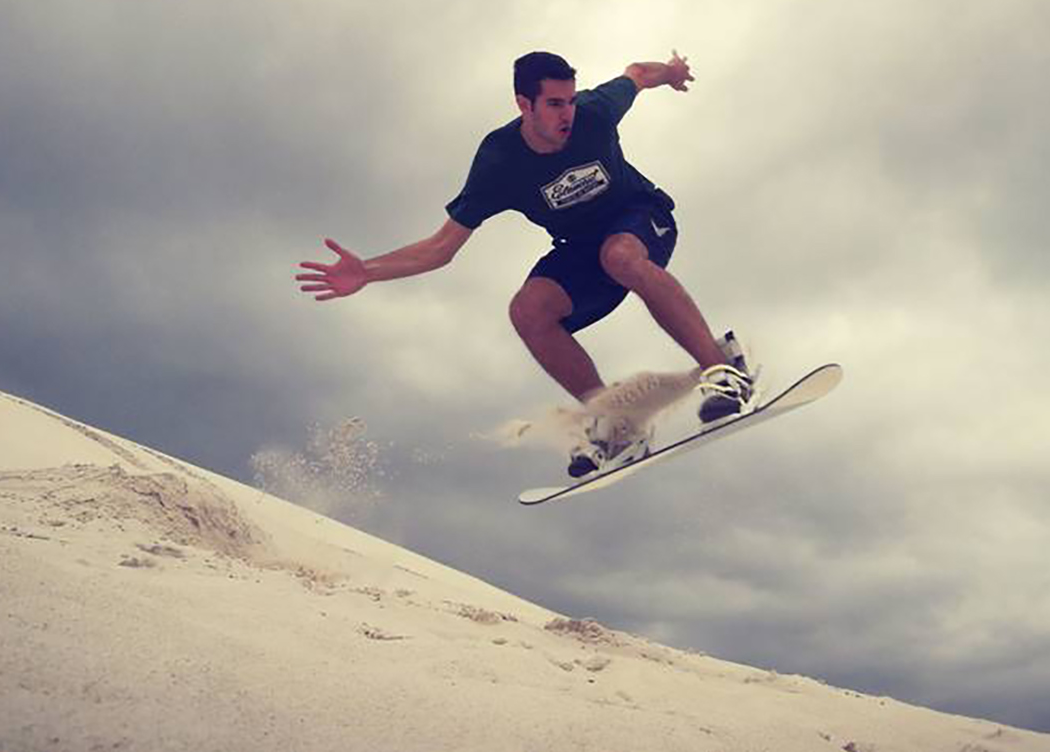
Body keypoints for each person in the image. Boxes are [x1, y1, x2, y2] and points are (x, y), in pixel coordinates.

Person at [296, 49, 755, 477]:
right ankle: (616, 424)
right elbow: (441, 247)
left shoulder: (595, 112)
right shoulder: (499, 161)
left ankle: (723, 370)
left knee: (618, 255)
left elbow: (636, 74)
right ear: (524, 104)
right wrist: (367, 271)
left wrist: (672, 72)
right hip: (581, 249)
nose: (566, 114)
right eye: (554, 104)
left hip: (641, 219)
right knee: (528, 310)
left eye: (569, 101)